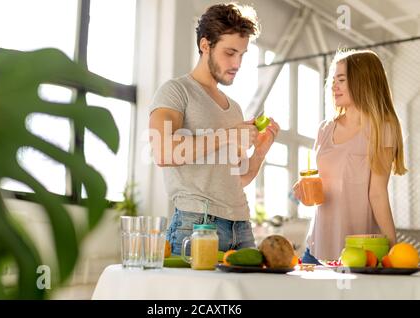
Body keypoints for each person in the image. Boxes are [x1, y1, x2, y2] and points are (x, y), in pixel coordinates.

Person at [148, 3, 280, 254]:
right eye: (230, 53)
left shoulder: (235, 109)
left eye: (242, 54)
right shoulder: (176, 91)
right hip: (197, 225)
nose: (237, 63)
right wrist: (229, 135)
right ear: (205, 45)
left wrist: (259, 154)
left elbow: (237, 180)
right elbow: (163, 153)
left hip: (241, 226)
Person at [293, 49, 407, 263]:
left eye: (342, 79)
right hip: (316, 248)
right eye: (333, 79)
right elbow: (325, 184)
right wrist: (306, 189)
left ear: (363, 81)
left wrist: (393, 249)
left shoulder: (383, 129)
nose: (334, 86)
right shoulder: (325, 129)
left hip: (360, 251)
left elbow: (377, 194)